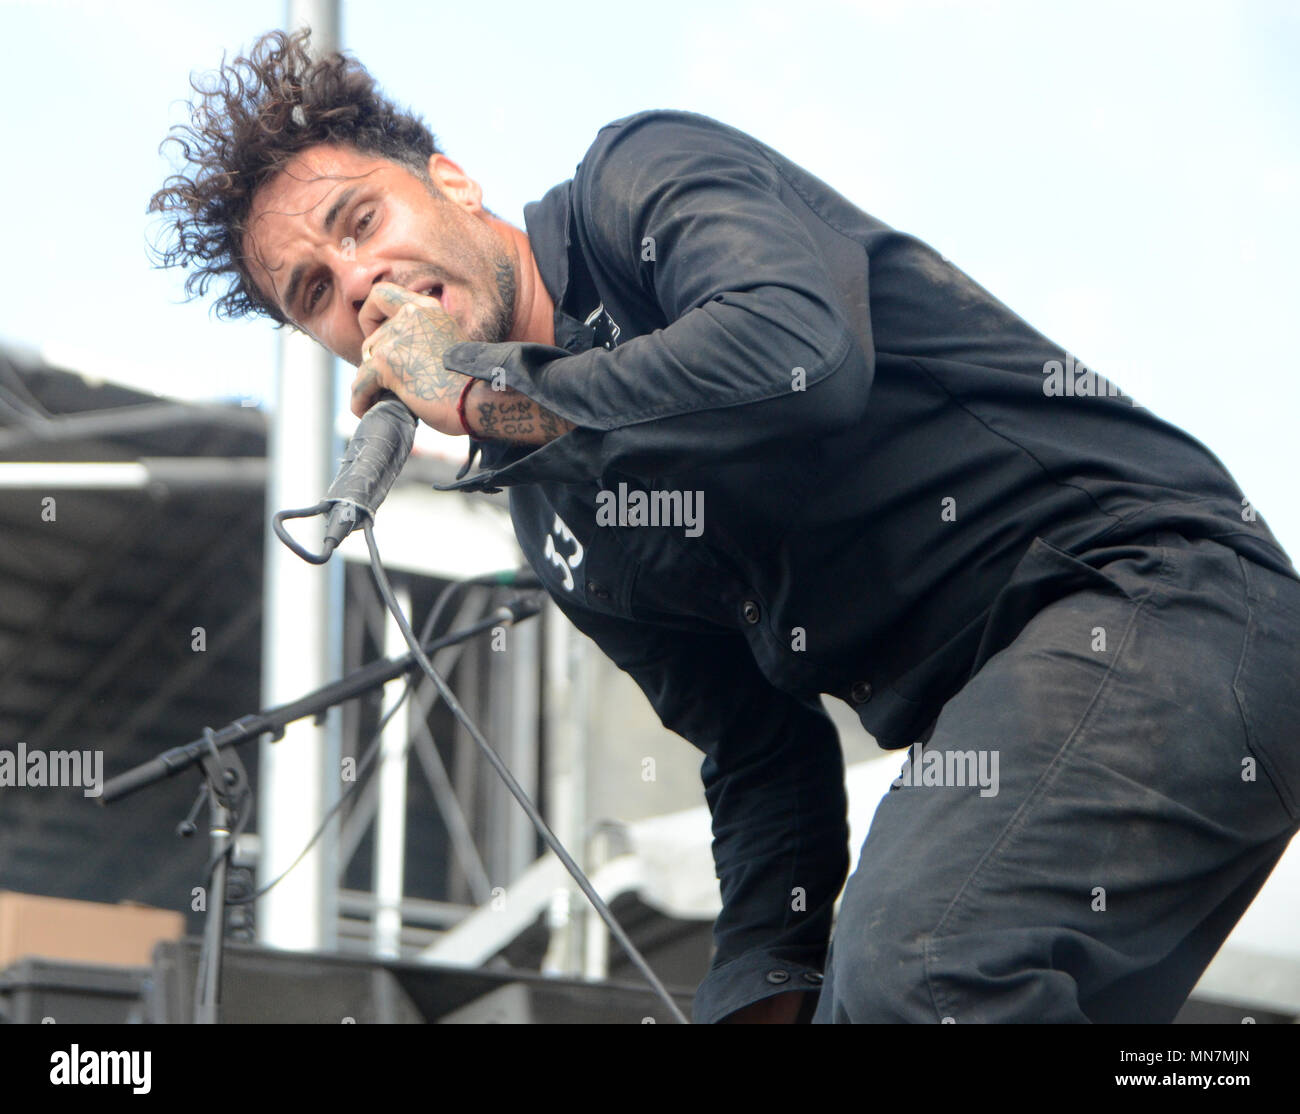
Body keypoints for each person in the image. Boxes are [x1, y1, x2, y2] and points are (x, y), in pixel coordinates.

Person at [150, 27, 1300, 1024]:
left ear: (451, 185)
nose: (356, 282)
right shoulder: (552, 516)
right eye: (312, 291)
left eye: (362, 221)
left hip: (1164, 596)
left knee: (920, 966)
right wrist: (758, 990)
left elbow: (795, 356)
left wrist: (484, 389)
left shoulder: (635, 182)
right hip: (1030, 707)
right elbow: (760, 756)